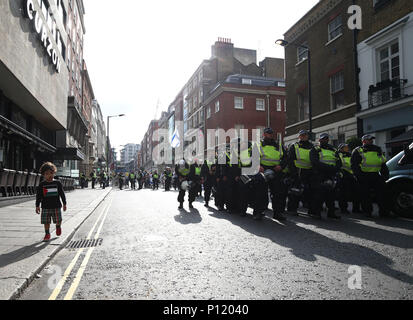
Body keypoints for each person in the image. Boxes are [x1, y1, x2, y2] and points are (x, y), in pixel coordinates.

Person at [351, 134, 390, 218]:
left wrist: (385, 175)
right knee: (365, 195)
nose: (371, 141)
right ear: (364, 141)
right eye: (369, 139)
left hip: (376, 175)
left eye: (372, 139)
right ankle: (367, 212)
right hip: (364, 176)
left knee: (382, 194)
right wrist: (359, 176)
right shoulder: (358, 150)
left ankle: (384, 212)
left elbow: (383, 163)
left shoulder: (377, 149)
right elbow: (354, 165)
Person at [255, 128, 288, 221]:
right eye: (267, 133)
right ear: (264, 135)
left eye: (270, 133)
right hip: (263, 170)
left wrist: (281, 166)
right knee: (260, 193)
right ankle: (259, 212)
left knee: (277, 193)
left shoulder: (279, 145)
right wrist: (258, 165)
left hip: (276, 171)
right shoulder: (258, 145)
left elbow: (286, 158)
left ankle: (278, 213)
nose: (269, 135)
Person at [309, 133, 341, 219]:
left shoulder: (334, 150)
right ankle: (316, 212)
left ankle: (331, 213)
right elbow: (315, 162)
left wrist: (335, 169)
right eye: (323, 139)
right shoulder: (315, 149)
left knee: (331, 195)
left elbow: (339, 162)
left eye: (326, 139)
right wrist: (329, 168)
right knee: (318, 195)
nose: (325, 140)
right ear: (319, 140)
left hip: (331, 174)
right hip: (319, 175)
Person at [35, 162, 67, 242]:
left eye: (51, 173)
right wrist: (37, 205)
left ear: (54, 172)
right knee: (46, 221)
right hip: (45, 206)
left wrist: (64, 203)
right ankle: (47, 234)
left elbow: (62, 194)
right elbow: (39, 196)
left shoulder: (57, 183)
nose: (49, 175)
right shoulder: (42, 184)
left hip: (56, 206)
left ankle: (58, 227)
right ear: (43, 175)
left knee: (58, 220)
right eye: (47, 174)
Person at [287, 130, 315, 215]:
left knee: (310, 191)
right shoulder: (294, 146)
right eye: (302, 135)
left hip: (309, 171)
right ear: (299, 136)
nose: (303, 136)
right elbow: (290, 160)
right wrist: (293, 173)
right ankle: (292, 209)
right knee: (295, 191)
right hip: (298, 171)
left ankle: (311, 210)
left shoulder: (312, 146)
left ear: (307, 136)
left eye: (305, 135)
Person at [336, 144, 361, 214]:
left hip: (352, 175)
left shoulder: (351, 155)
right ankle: (343, 209)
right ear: (341, 149)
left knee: (356, 192)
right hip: (344, 175)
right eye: (345, 147)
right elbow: (339, 165)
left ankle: (356, 208)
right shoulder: (338, 155)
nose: (347, 148)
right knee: (343, 193)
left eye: (347, 147)